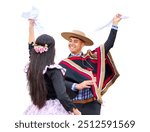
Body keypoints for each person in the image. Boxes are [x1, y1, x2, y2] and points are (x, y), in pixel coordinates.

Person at [59, 14, 122, 115]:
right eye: (70, 41)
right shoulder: (64, 64)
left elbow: (108, 45)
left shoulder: (90, 58)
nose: (71, 43)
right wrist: (76, 85)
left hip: (92, 105)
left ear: (82, 44)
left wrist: (114, 24)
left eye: (75, 41)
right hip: (74, 107)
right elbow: (59, 83)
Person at [24, 19, 81, 115]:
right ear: (52, 50)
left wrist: (30, 26)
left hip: (37, 109)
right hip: (54, 110)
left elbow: (30, 47)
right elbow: (62, 95)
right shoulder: (54, 70)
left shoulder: (33, 66)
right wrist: (75, 111)